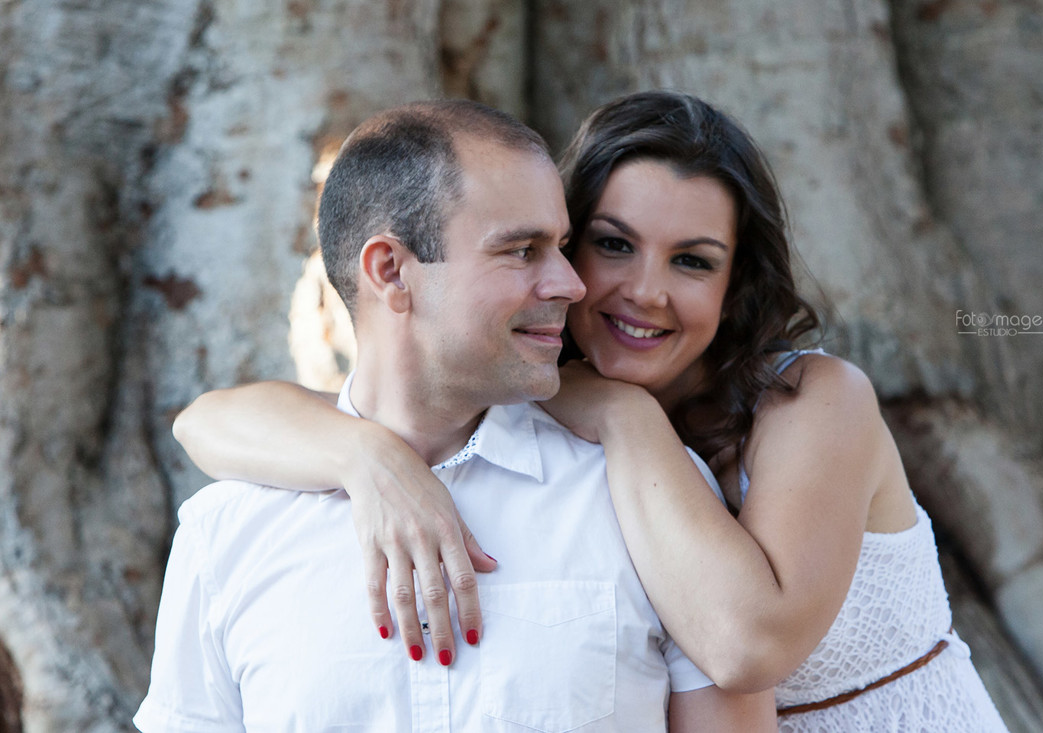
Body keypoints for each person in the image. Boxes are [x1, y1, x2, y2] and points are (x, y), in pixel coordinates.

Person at [174, 91, 1010, 732]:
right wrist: (371, 459)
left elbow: (748, 645)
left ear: (733, 283)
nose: (642, 290)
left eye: (692, 260)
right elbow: (204, 423)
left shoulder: (810, 401)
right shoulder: (525, 386)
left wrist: (625, 416)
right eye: (611, 243)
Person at [135, 99, 769, 732]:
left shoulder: (640, 496)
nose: (571, 285)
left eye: (565, 247)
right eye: (522, 250)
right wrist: (370, 458)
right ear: (391, 271)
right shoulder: (228, 532)